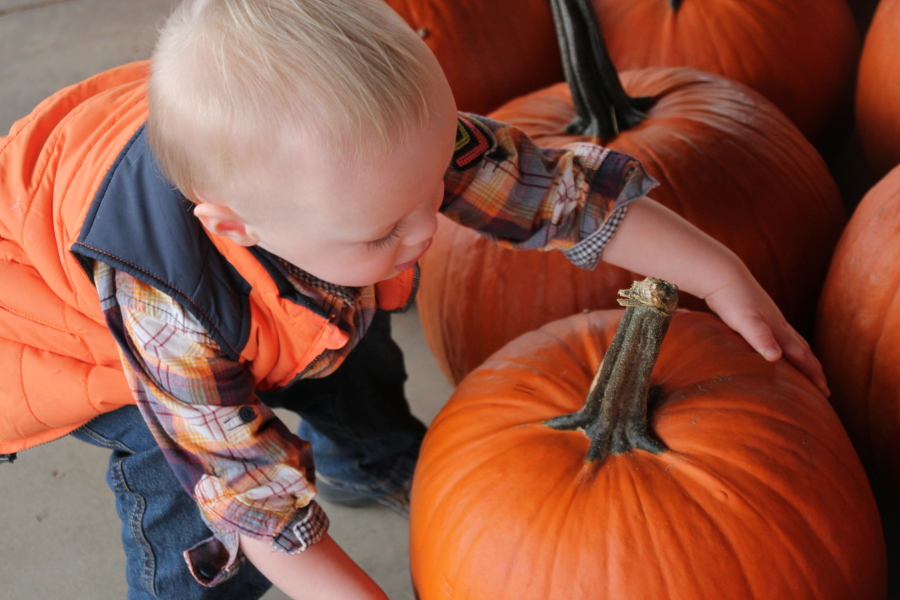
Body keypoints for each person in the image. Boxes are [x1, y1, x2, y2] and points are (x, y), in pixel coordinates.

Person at [0, 0, 828, 598]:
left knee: (345, 338)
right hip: (70, 336)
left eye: (436, 187)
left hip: (281, 290)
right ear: (235, 226)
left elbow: (560, 196)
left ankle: (369, 457)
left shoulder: (379, 156)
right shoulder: (164, 308)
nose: (429, 228)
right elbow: (247, 494)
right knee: (189, 506)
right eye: (381, 230)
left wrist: (723, 277)